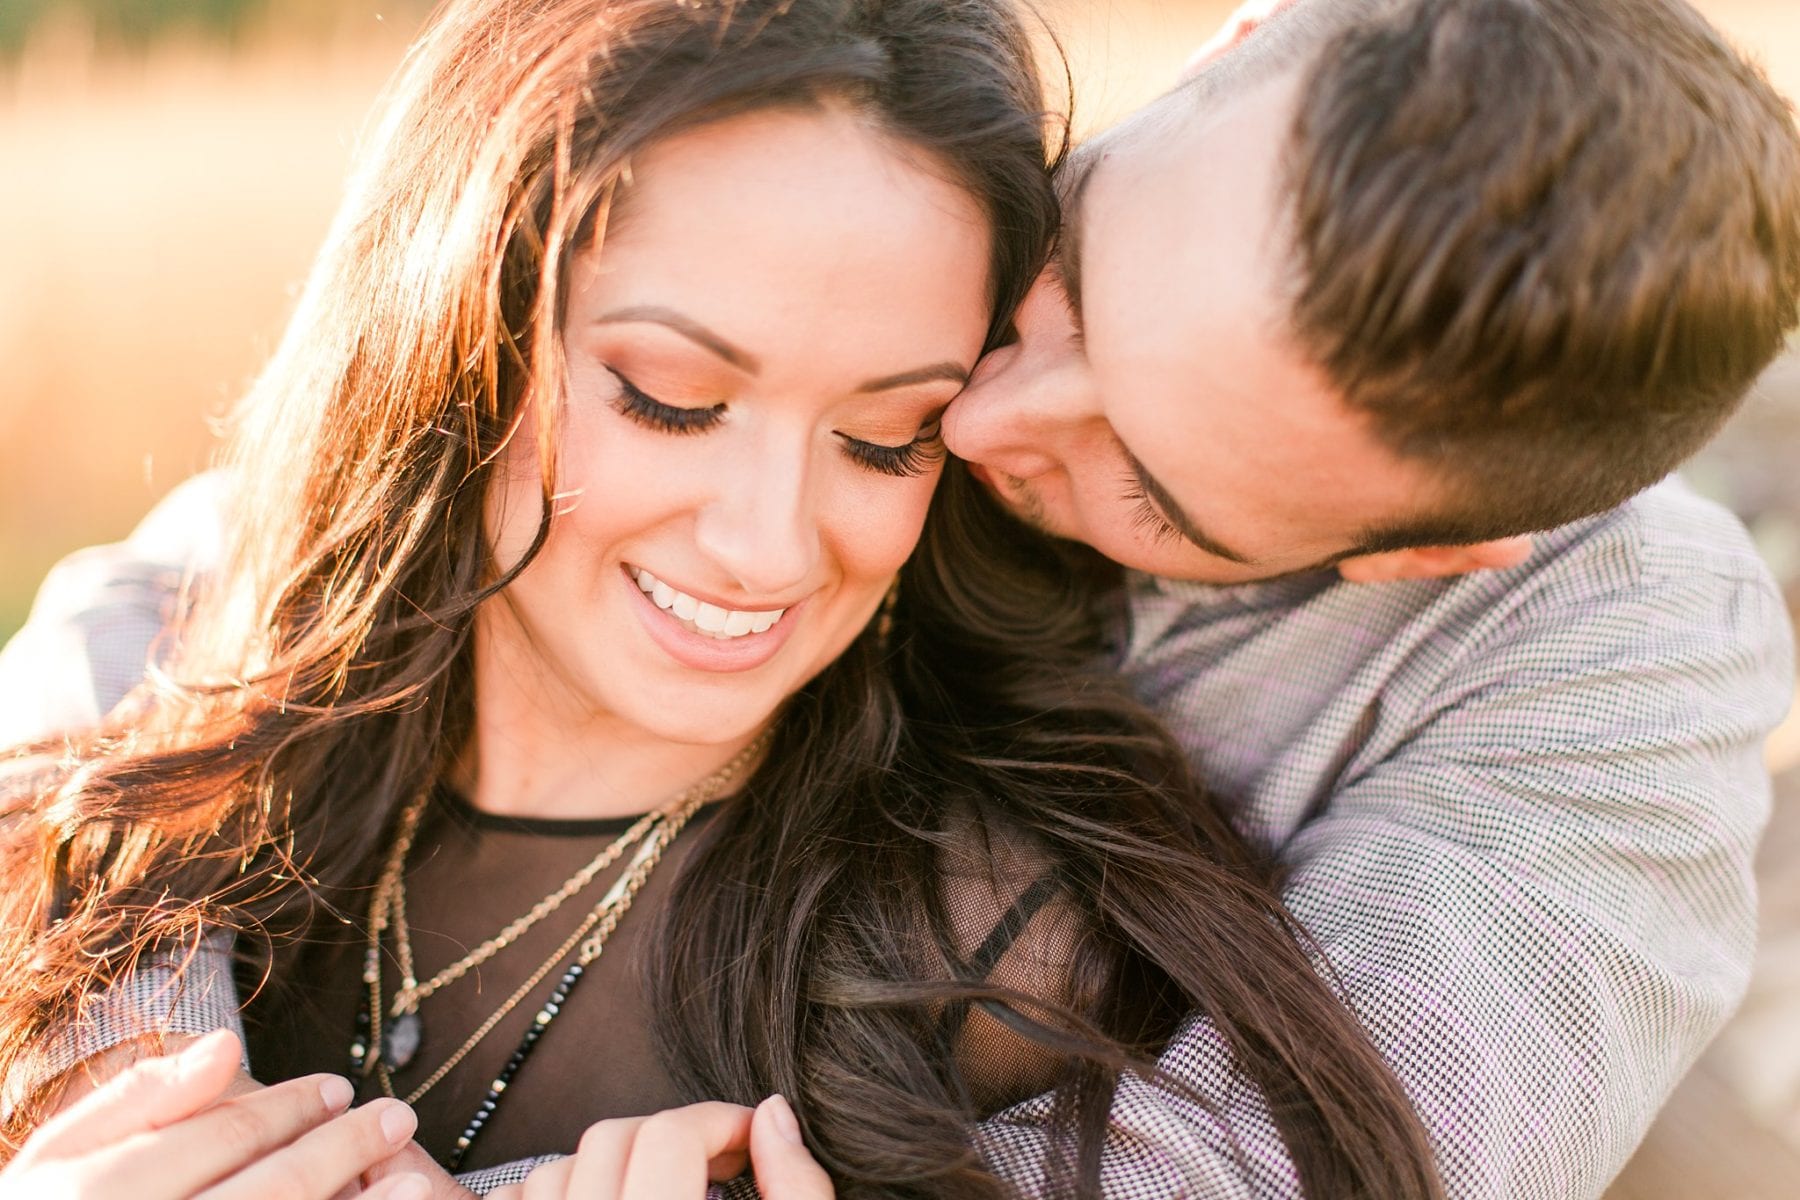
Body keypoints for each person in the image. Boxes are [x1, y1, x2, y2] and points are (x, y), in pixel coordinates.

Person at [3, 0, 1797, 1195]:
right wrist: (110, 1070)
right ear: (1241, 38)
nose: (988, 427)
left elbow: (1310, 1169)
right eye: (1064, 287)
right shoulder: (875, 272)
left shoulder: (1609, 664)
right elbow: (259, 555)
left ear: (1423, 548)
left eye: (1153, 488)